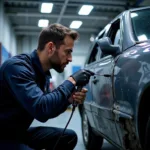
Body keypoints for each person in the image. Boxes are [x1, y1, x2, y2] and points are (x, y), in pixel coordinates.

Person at [0, 23, 94, 150]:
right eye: (68, 52)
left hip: (17, 132)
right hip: (3, 136)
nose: (70, 59)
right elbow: (41, 109)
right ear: (51, 48)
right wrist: (71, 81)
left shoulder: (43, 74)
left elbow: (47, 111)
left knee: (68, 137)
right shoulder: (17, 67)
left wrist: (68, 100)